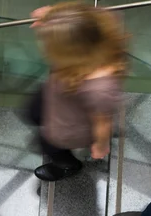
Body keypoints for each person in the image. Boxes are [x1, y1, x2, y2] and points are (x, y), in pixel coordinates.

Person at [27, 2, 125, 182]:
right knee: (32, 113)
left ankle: (67, 164)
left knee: (49, 144)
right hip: (57, 93)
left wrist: (101, 145)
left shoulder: (99, 89)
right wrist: (55, 17)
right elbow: (86, 18)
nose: (45, 48)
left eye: (50, 43)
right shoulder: (94, 30)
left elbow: (102, 122)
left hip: (70, 124)